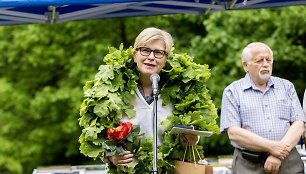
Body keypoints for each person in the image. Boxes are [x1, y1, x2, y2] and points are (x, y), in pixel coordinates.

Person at [103, 27, 198, 167]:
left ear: (166, 59)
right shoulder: (114, 91)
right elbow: (99, 137)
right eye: (145, 50)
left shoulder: (181, 92)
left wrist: (192, 139)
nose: (151, 57)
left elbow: (193, 134)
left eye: (158, 52)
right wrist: (111, 157)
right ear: (135, 55)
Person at [220, 42, 305, 174]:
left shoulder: (287, 86)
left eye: (268, 60)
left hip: (288, 163)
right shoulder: (232, 91)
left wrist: (277, 154)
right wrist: (272, 147)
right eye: (259, 60)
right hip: (248, 165)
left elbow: (299, 125)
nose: (265, 64)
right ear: (245, 65)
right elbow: (234, 133)